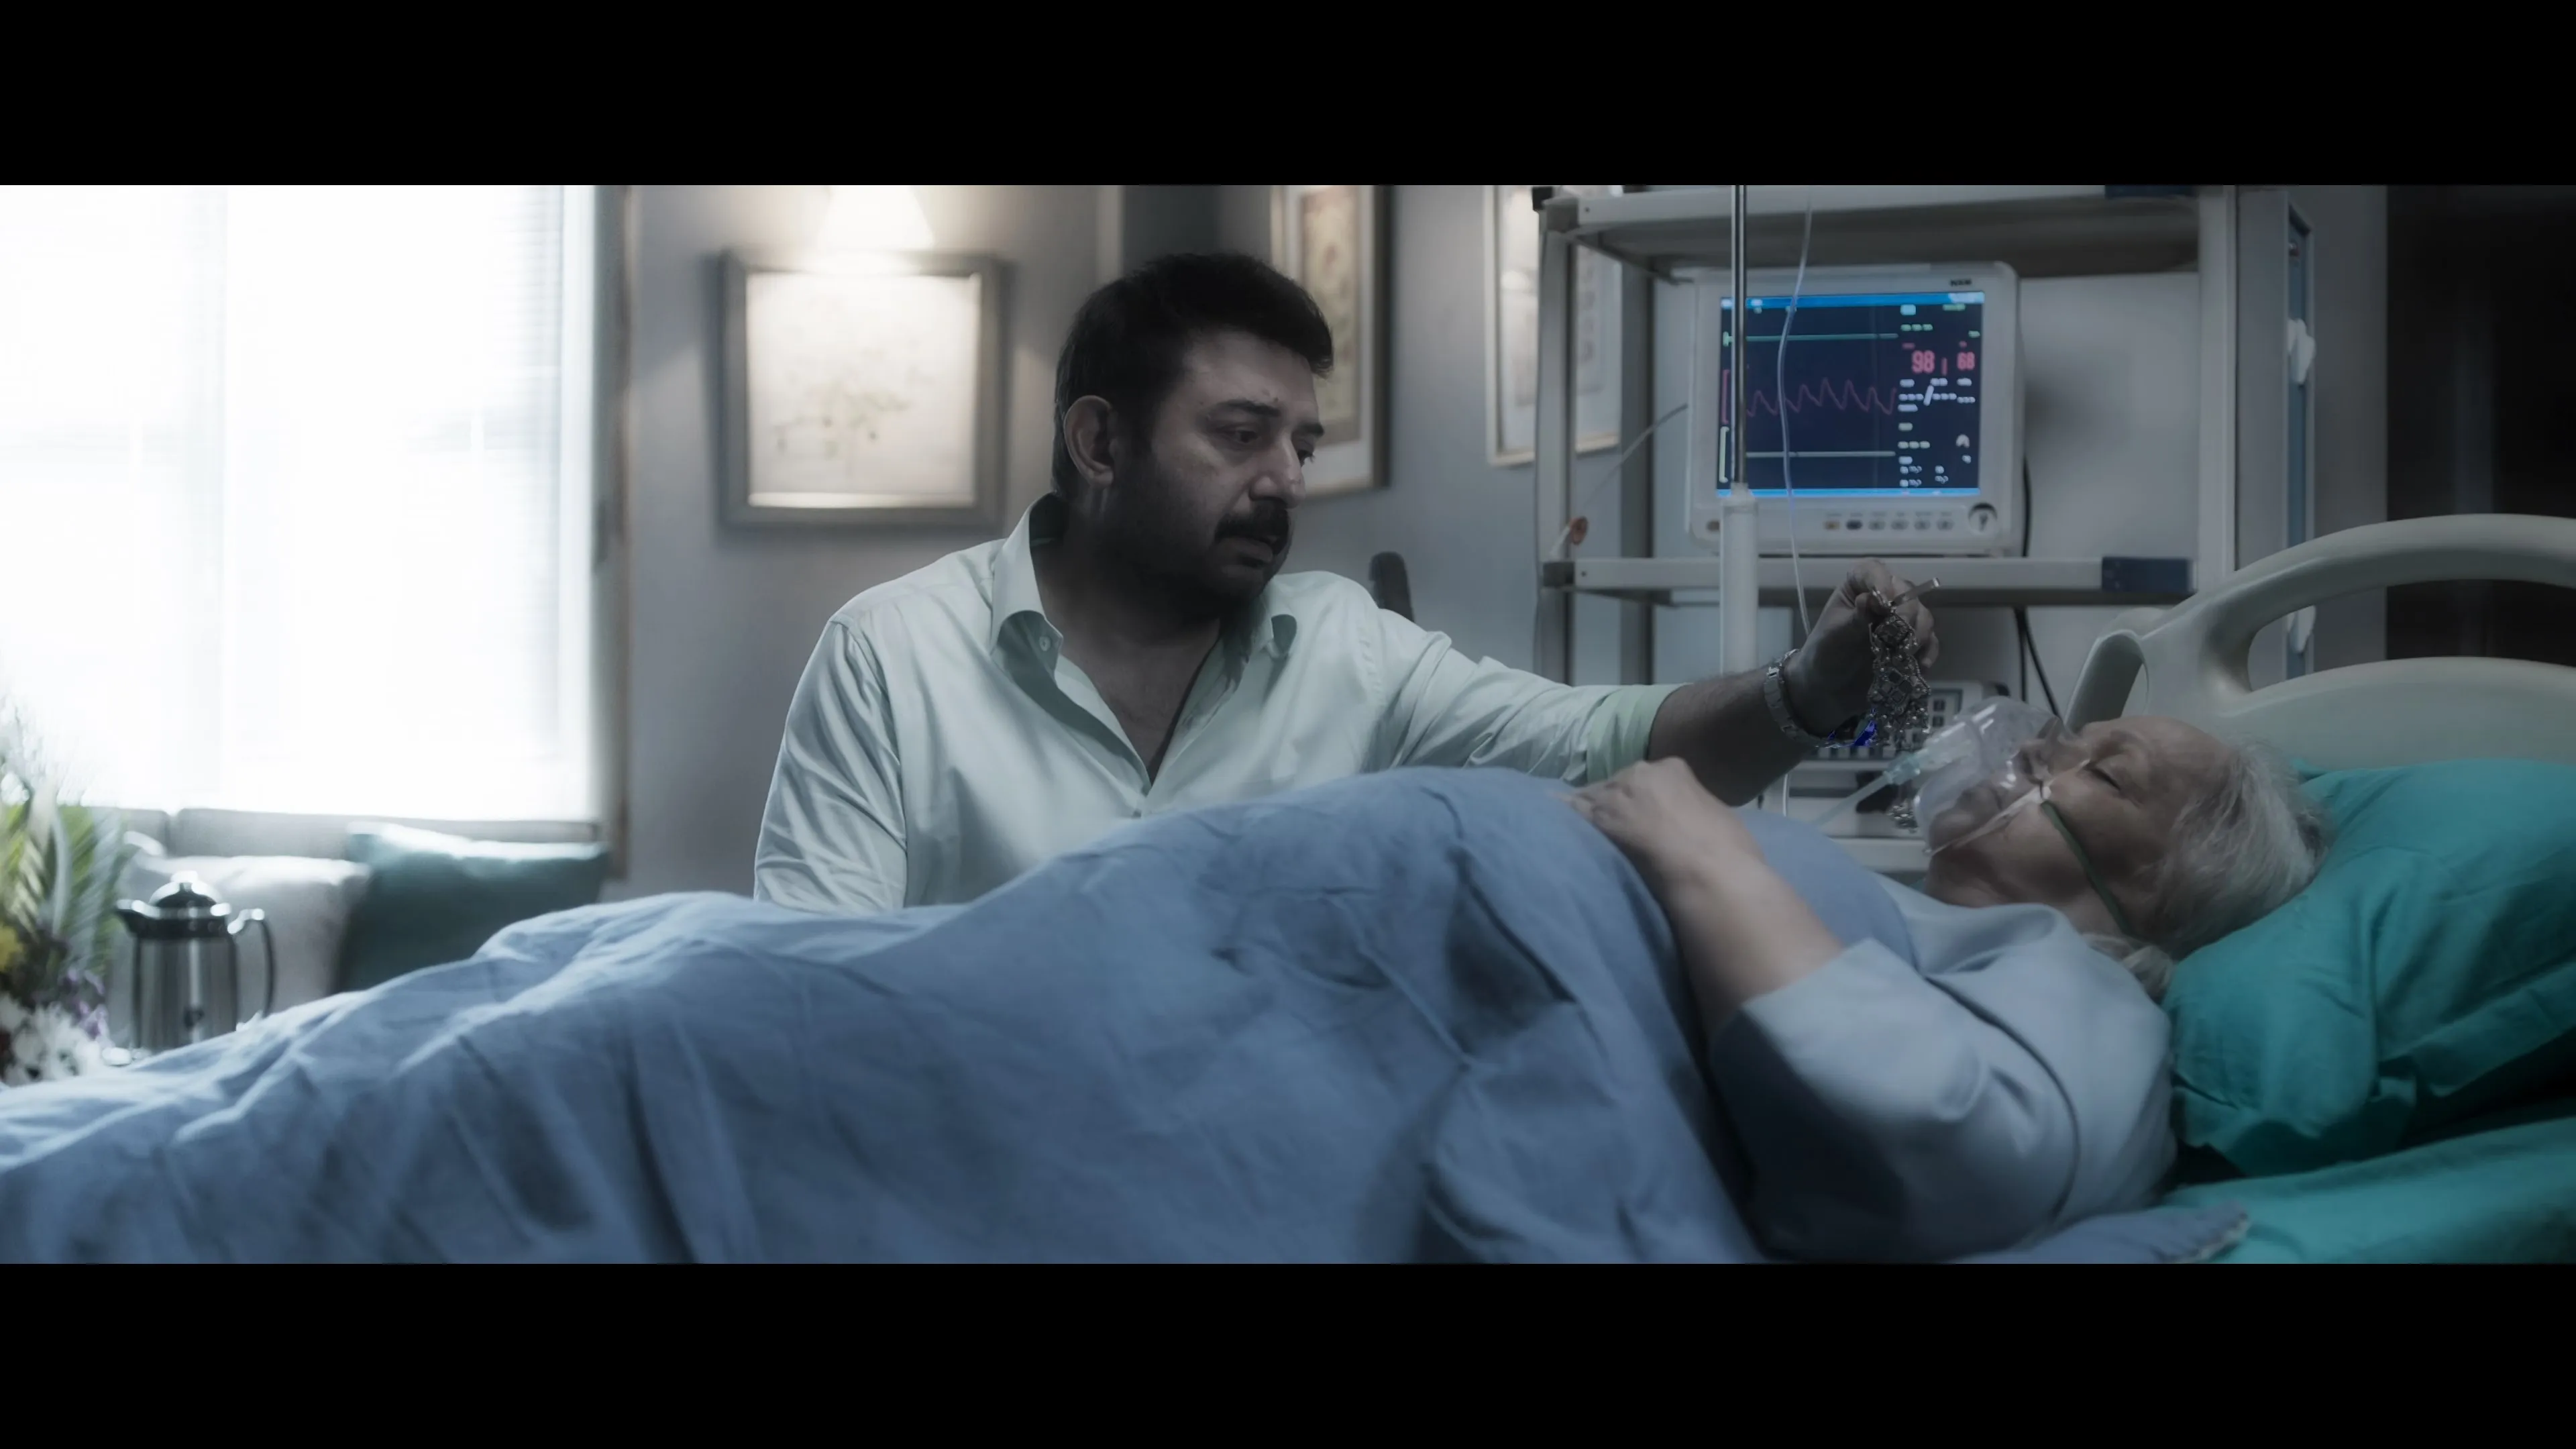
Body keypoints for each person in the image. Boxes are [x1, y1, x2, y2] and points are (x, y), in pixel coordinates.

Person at [755, 252, 1939, 914]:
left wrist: (1808, 690)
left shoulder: (1347, 650)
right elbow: (796, 985)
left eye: (1302, 445)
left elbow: (1609, 745)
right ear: (1100, 444)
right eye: (1240, 436)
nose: (1285, 479)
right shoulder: (892, 657)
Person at [1572, 712, 2330, 1258]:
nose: (2032, 749)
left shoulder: (2095, 989)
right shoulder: (1945, 931)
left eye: (2105, 773)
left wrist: (1704, 860)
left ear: (2167, 892)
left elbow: (1981, 1151)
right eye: (2064, 738)